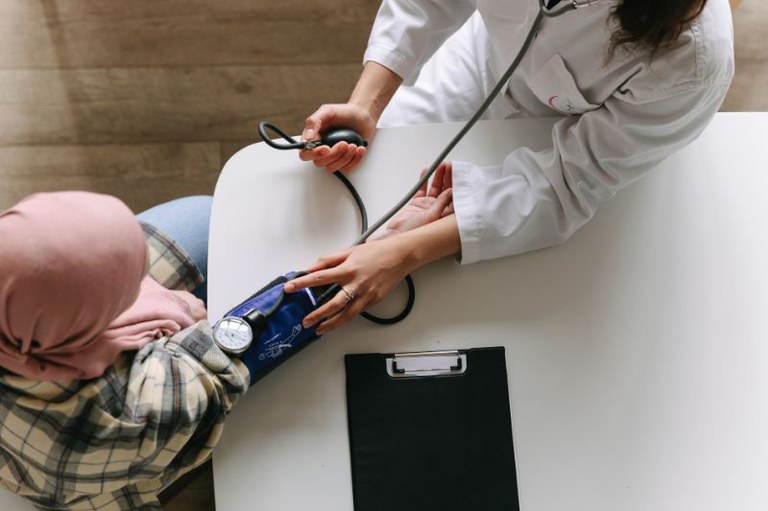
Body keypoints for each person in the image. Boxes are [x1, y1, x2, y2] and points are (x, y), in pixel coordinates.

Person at [285, 0, 735, 334]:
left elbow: (569, 185)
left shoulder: (691, 62)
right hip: (481, 61)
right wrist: (367, 104)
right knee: (360, 191)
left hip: (584, 133)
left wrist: (405, 253)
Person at [0, 192, 250, 510]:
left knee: (210, 214)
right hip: (78, 473)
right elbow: (208, 386)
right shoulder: (112, 417)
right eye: (131, 293)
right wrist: (187, 322)